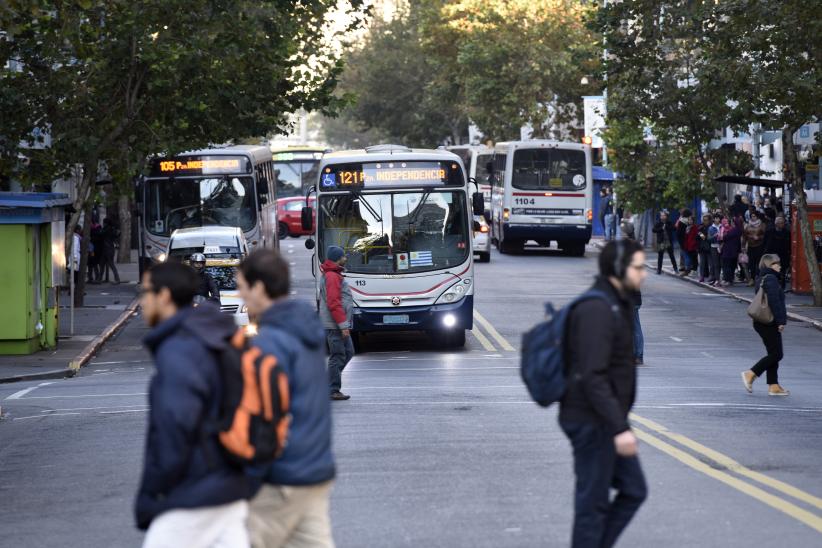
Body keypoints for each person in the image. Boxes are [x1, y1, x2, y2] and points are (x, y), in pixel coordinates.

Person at [136, 261, 250, 547]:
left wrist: (151, 495)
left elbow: (174, 430)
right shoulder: (211, 336)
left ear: (163, 297)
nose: (141, 302)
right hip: (229, 480)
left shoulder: (180, 349)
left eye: (145, 292)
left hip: (194, 490)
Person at [236, 250, 337, 548]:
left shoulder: (269, 345)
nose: (240, 294)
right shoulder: (306, 330)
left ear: (258, 288)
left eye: (242, 286)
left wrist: (248, 481)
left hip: (279, 481)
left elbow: (262, 420)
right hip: (314, 473)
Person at [559, 239, 648, 548]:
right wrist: (619, 428)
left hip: (607, 419)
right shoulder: (597, 308)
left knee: (634, 489)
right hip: (591, 420)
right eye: (638, 267)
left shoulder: (617, 302)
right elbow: (592, 376)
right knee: (592, 504)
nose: (644, 274)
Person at [741, 254, 790, 396]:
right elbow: (775, 302)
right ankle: (751, 373)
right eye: (777, 263)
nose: (780, 266)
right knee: (777, 354)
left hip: (762, 321)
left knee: (773, 353)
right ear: (770, 265)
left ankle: (773, 385)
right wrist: (781, 321)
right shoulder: (771, 279)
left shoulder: (762, 278)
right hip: (768, 321)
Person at [321, 245, 354, 401]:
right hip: (335, 325)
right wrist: (343, 326)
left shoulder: (333, 274)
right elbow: (334, 303)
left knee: (348, 352)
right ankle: (332, 389)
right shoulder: (332, 277)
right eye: (343, 256)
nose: (345, 258)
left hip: (338, 324)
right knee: (338, 355)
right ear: (337, 258)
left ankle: (329, 383)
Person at [765, 216, 791, 289]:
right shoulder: (769, 232)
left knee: (782, 270)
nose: (781, 224)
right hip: (772, 255)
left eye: (782, 223)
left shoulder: (787, 232)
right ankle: (776, 283)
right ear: (776, 224)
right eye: (779, 223)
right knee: (775, 270)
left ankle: (782, 286)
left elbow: (789, 244)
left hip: (783, 255)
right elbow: (765, 243)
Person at [744, 210, 766, 285]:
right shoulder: (747, 225)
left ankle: (759, 278)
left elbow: (765, 235)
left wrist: (759, 237)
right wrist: (743, 246)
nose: (753, 218)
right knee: (751, 263)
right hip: (750, 246)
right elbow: (744, 236)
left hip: (759, 246)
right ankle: (752, 279)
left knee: (759, 263)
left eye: (754, 216)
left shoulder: (762, 225)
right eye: (752, 216)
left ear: (757, 216)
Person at [719, 216, 743, 287]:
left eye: (732, 222)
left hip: (728, 251)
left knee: (727, 266)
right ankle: (730, 279)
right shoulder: (739, 231)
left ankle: (727, 280)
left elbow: (724, 238)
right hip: (735, 251)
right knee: (732, 266)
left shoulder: (733, 231)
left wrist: (722, 235)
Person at [100, 217, 121, 284]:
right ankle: (101, 278)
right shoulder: (112, 229)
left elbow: (101, 234)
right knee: (105, 264)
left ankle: (117, 279)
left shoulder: (106, 229)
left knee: (107, 264)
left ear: (106, 223)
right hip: (110, 248)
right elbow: (117, 235)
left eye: (104, 222)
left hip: (107, 248)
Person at [697, 214, 713, 283]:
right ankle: (702, 276)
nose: (704, 222)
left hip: (709, 247)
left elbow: (708, 237)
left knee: (711, 263)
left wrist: (703, 236)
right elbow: (698, 236)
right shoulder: (700, 227)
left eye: (706, 220)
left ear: (709, 220)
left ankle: (711, 275)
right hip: (702, 247)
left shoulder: (711, 227)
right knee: (702, 263)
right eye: (703, 220)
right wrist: (700, 234)